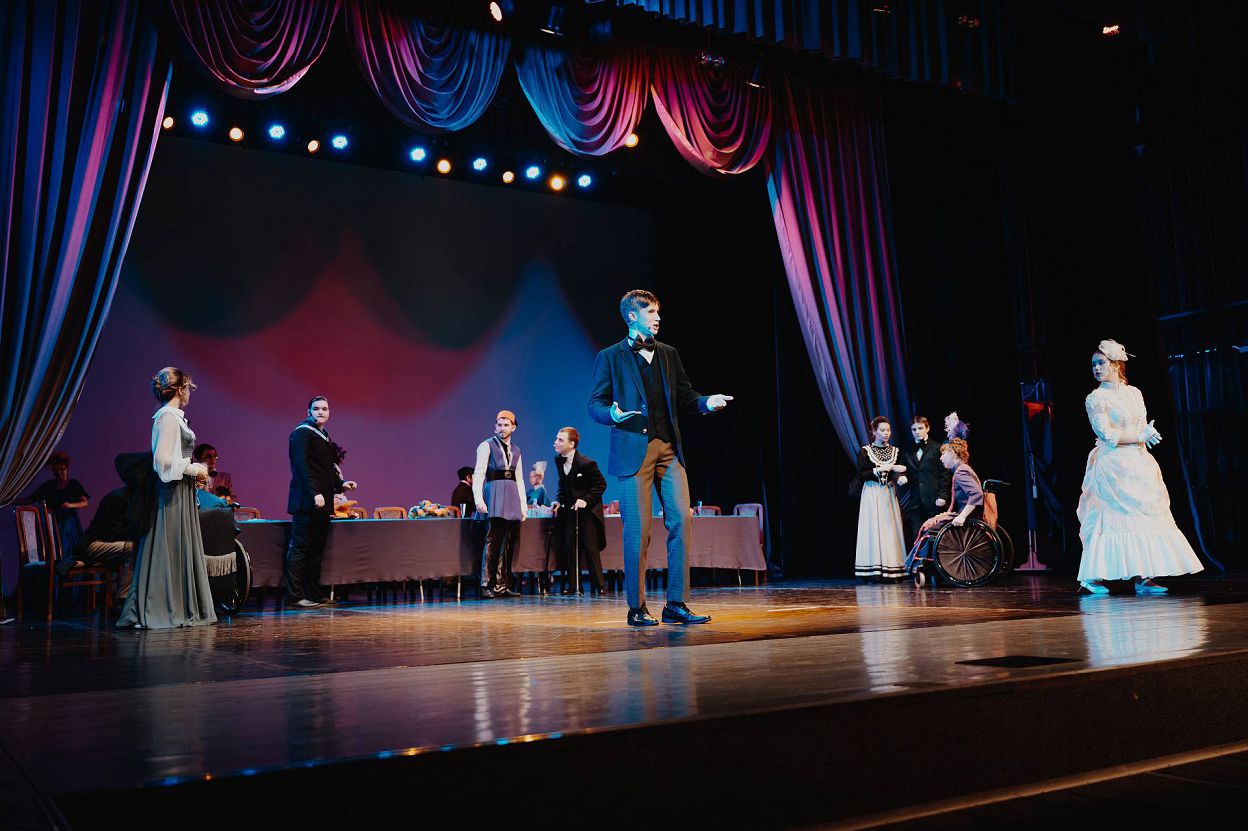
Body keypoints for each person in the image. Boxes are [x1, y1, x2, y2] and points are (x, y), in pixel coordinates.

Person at [587, 289, 732, 626]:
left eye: (657, 312)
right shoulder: (610, 357)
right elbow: (594, 404)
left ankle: (676, 603)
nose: (657, 318)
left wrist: (706, 403)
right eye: (651, 312)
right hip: (632, 453)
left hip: (668, 450)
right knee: (637, 531)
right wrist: (611, 413)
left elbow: (686, 396)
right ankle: (636, 607)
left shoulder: (668, 354)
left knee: (681, 519)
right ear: (632, 316)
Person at [1076, 339, 1203, 595]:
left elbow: (1140, 424)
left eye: (1101, 363)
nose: (1096, 368)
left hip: (1139, 462)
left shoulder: (1134, 393)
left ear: (1115, 365)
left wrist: (1147, 432)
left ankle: (1143, 576)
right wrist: (1139, 437)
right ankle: (1092, 577)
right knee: (1111, 520)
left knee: (1143, 517)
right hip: (1113, 465)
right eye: (1093, 364)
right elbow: (1106, 434)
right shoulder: (1096, 398)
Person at [117, 367, 216, 628]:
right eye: (188, 388)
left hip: (179, 491)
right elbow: (162, 461)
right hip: (171, 493)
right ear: (180, 389)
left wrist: (193, 471)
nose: (189, 393)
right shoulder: (168, 417)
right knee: (168, 547)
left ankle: (178, 606)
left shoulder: (173, 417)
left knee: (176, 547)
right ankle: (160, 607)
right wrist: (193, 468)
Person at [285, 396, 358, 608]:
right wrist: (314, 493)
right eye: (316, 408)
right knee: (300, 548)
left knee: (316, 550)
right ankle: (295, 596)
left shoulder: (324, 435)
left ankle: (314, 594)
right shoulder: (302, 433)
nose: (320, 412)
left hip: (322, 503)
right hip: (306, 501)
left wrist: (341, 484)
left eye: (324, 409)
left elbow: (325, 468)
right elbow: (301, 466)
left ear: (329, 412)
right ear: (308, 411)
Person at [473, 410, 528, 598]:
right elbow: (479, 473)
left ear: (514, 427)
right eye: (499, 425)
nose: (502, 428)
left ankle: (502, 584)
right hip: (495, 493)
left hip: (511, 495)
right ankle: (486, 583)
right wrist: (478, 499)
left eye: (506, 425)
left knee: (507, 541)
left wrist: (523, 505)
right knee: (493, 539)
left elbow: (519, 479)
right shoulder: (486, 446)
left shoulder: (517, 450)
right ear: (495, 427)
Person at [550, 427, 608, 595]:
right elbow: (563, 484)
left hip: (588, 512)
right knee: (570, 547)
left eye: (560, 440)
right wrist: (559, 500)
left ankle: (599, 585)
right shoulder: (558, 460)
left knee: (590, 547)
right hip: (570, 511)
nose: (555, 442)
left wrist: (586, 500)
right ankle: (574, 585)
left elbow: (601, 485)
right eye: (557, 439)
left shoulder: (586, 463)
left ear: (571, 444)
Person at [854, 416, 908, 581]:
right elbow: (862, 474)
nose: (886, 433)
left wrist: (899, 476)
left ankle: (892, 566)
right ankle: (873, 569)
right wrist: (879, 470)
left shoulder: (895, 451)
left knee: (889, 527)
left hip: (888, 492)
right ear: (874, 432)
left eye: (888, 430)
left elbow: (897, 471)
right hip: (872, 492)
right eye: (882, 430)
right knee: (872, 527)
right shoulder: (865, 451)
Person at [898, 417, 951, 544]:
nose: (917, 431)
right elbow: (901, 468)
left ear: (927, 428)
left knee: (936, 536)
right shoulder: (908, 450)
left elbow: (945, 473)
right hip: (916, 502)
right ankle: (921, 557)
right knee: (917, 536)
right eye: (914, 429)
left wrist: (943, 495)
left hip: (934, 500)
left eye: (920, 428)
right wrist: (900, 476)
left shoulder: (938, 448)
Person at [26, 451, 89, 556]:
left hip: (69, 524)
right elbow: (30, 499)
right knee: (53, 549)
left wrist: (70, 505)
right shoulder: (49, 486)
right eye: (56, 470)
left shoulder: (73, 484)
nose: (59, 473)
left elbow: (84, 503)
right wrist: (8, 499)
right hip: (53, 524)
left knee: (68, 549)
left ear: (66, 469)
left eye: (62, 469)